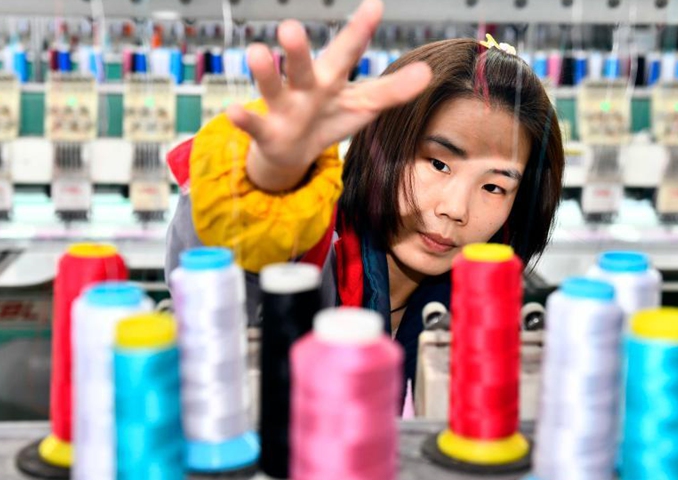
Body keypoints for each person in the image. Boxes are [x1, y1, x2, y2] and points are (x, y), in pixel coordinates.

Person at [165, 0, 564, 385]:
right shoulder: (306, 250)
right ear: (383, 145)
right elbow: (222, 285)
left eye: (494, 186)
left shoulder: (492, 318)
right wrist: (268, 181)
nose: (456, 209)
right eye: (438, 164)